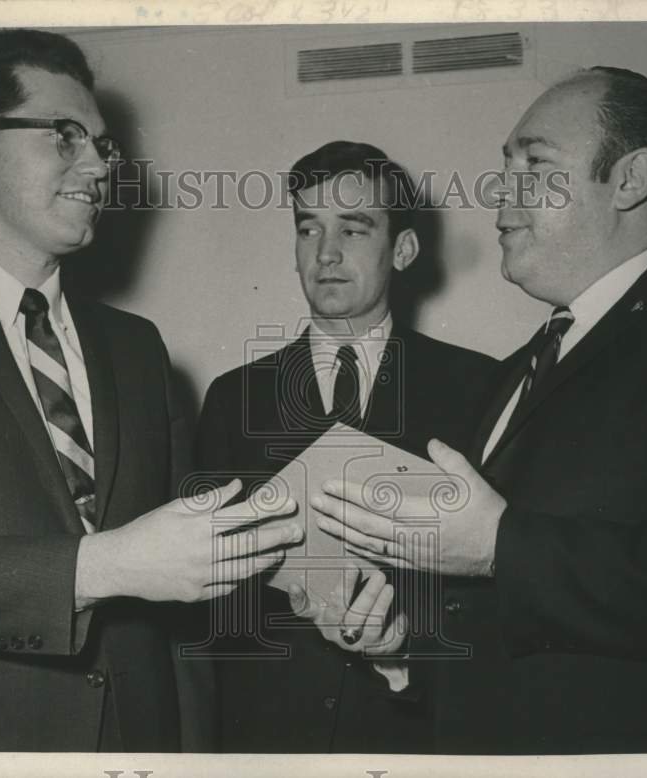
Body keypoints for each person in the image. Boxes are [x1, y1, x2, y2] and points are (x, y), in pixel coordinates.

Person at [311, 68, 647, 753]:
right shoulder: (514, 372)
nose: (500, 193)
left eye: (535, 163)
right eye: (504, 166)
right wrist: (402, 653)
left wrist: (499, 546)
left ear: (630, 179)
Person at [0, 28, 300, 752]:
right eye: (66, 136)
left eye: (103, 145)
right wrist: (103, 566)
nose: (98, 166)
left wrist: (322, 592)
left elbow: (188, 586)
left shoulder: (137, 348)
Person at [196, 140, 499, 753]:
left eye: (354, 230)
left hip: (410, 732)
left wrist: (404, 654)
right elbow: (207, 598)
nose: (326, 254)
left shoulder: (479, 388)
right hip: (264, 739)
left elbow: (494, 594)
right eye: (309, 229)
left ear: (404, 249)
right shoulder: (234, 398)